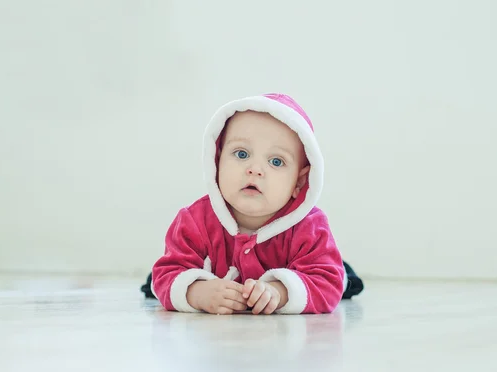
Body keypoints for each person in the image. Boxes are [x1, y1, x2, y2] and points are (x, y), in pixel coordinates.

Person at [145, 93, 363, 315]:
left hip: (305, 266)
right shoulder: (194, 221)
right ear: (217, 161)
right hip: (209, 270)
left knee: (340, 276)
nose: (255, 169)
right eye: (241, 154)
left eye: (276, 161)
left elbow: (327, 283)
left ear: (299, 181)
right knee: (156, 281)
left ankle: (343, 271)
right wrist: (199, 292)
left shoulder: (311, 227)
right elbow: (165, 274)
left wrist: (279, 292)